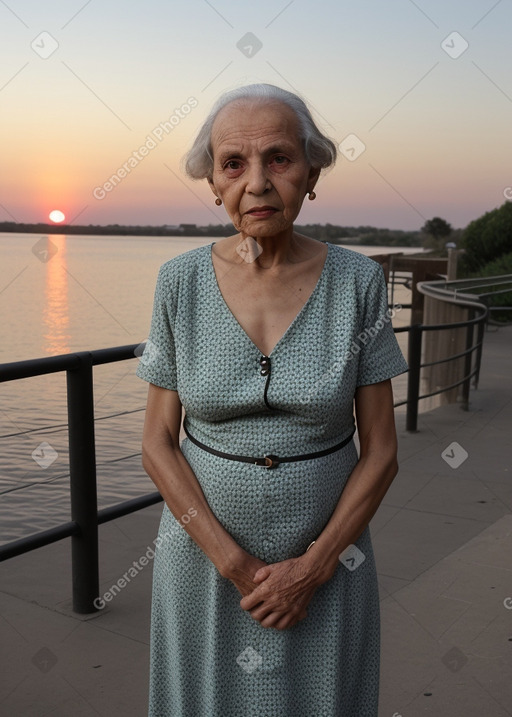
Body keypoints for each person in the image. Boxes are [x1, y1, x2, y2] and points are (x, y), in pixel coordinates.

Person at [135, 82, 408, 717]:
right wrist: (232, 563)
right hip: (203, 563)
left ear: (312, 173)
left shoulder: (358, 282)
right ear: (213, 182)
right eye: (233, 163)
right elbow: (155, 443)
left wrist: (311, 570)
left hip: (330, 565)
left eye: (278, 158)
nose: (256, 182)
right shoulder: (179, 282)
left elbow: (382, 452)